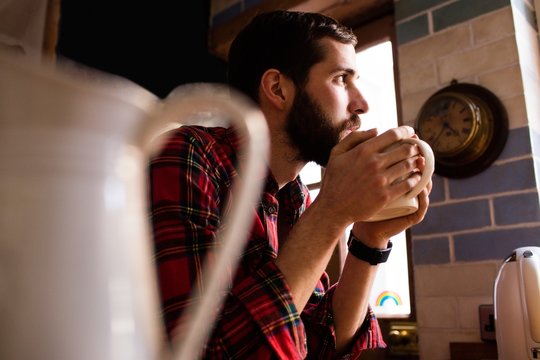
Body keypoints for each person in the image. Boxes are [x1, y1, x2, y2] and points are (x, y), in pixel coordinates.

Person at [149, 9, 432, 359]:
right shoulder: (188, 155)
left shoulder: (296, 199)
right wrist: (331, 212)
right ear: (278, 89)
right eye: (342, 79)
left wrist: (369, 240)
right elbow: (204, 353)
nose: (362, 104)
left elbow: (324, 346)